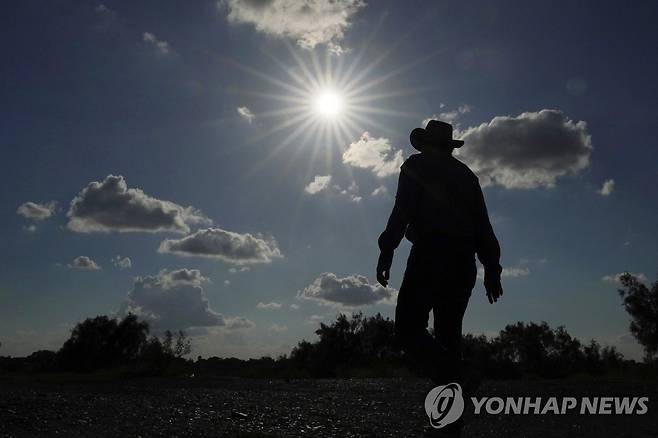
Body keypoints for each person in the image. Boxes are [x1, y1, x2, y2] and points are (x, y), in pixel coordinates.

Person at [376, 120, 503, 387]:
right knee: (448, 336)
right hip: (464, 262)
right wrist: (492, 268)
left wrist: (387, 249)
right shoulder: (467, 176)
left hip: (430, 255)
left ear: (425, 144)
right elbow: (483, 225)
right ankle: (448, 417)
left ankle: (457, 375)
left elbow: (402, 212)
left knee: (409, 329)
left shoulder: (417, 165)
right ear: (450, 147)